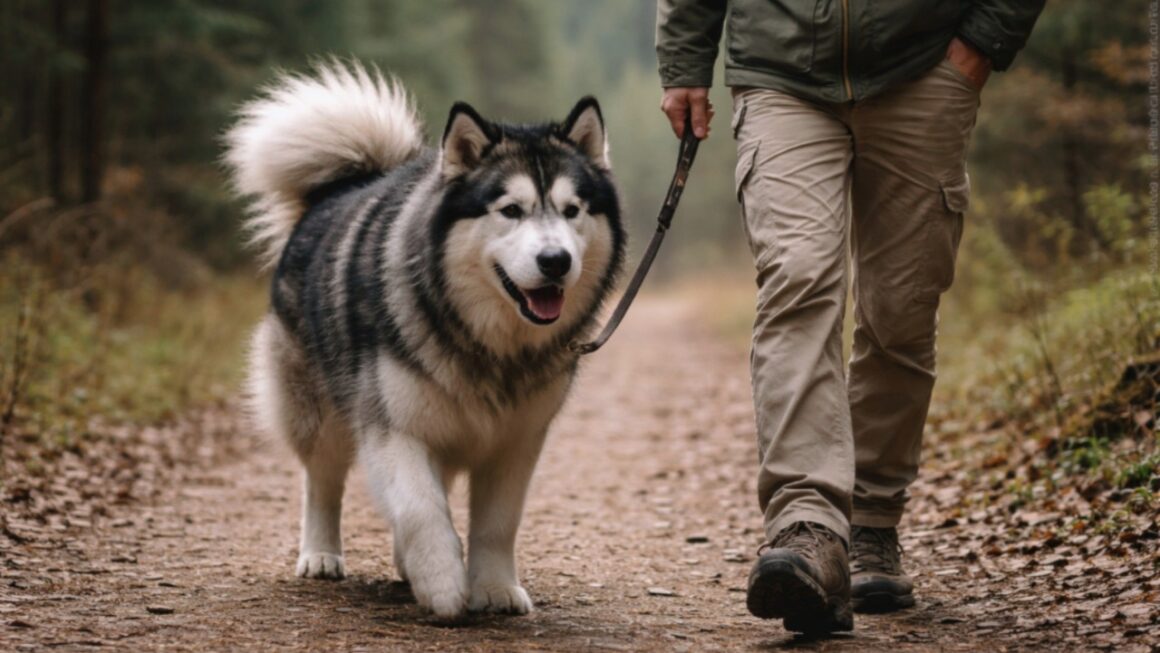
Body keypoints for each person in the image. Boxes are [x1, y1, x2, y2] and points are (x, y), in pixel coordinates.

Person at [656, 0, 1045, 634]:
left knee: (901, 309)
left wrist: (982, 41)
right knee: (798, 281)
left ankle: (871, 525)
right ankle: (807, 527)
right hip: (780, 72)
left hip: (925, 68)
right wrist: (685, 61)